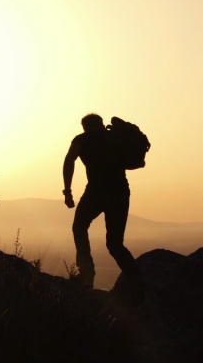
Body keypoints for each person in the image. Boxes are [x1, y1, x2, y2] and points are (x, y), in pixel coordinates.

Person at [63, 113, 146, 305]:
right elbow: (135, 164)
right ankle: (137, 282)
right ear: (101, 124)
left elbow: (69, 160)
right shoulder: (112, 138)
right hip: (120, 192)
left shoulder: (81, 139)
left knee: (79, 226)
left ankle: (86, 274)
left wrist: (67, 191)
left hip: (96, 192)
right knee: (115, 243)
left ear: (84, 126)